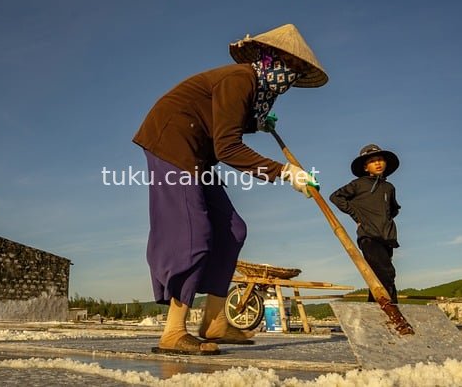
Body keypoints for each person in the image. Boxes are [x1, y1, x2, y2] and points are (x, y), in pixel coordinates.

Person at [132, 24, 327, 355]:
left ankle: (214, 322)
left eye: (296, 71)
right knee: (192, 232)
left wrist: (257, 122)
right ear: (271, 59)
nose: (290, 76)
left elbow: (228, 124)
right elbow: (227, 148)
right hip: (173, 141)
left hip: (198, 152)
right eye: (289, 66)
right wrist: (284, 172)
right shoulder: (240, 80)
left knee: (233, 229)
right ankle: (173, 331)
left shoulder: (255, 90)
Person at [329, 144, 401, 304]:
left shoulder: (389, 188)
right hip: (368, 236)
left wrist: (386, 221)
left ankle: (375, 310)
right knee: (386, 272)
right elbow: (336, 197)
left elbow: (394, 209)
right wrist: (357, 216)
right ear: (366, 167)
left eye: (380, 160)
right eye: (373, 161)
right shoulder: (358, 184)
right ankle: (391, 309)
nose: (378, 163)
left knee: (380, 275)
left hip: (387, 238)